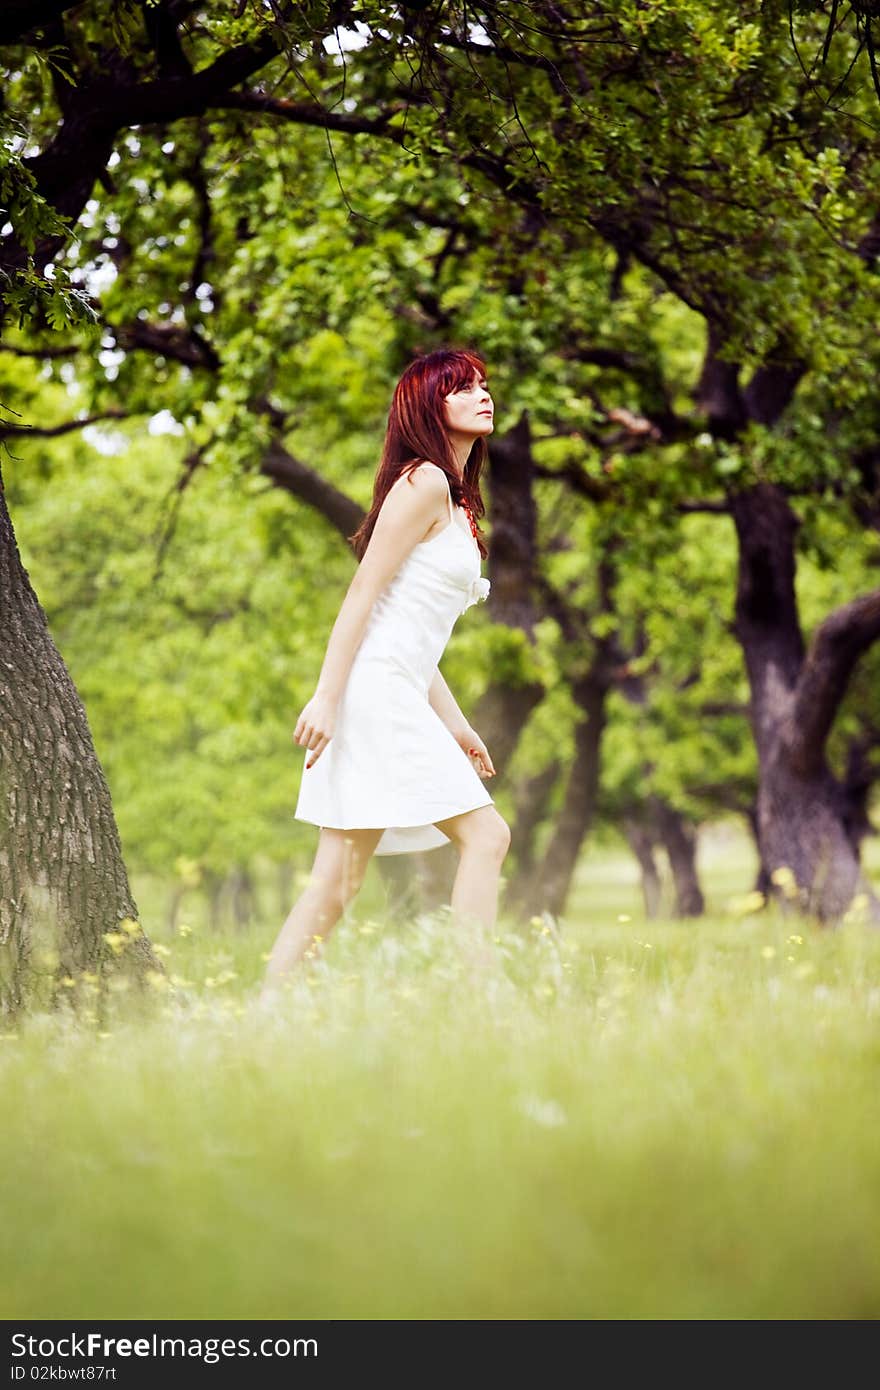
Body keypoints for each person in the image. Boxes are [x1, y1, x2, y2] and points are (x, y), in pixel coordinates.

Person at [259, 348, 512, 1000]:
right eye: (464, 388)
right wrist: (326, 696)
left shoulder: (455, 502)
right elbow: (364, 596)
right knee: (487, 835)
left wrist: (456, 727)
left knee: (338, 882)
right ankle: (479, 1002)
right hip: (375, 691)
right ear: (432, 405)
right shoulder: (422, 481)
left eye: (483, 385)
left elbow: (412, 637)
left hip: (397, 684)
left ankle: (263, 1013)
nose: (483, 395)